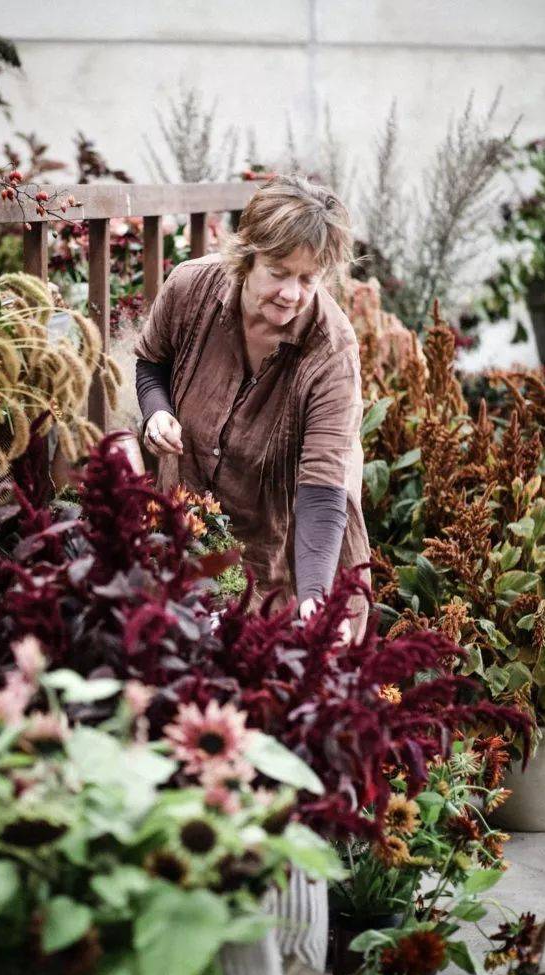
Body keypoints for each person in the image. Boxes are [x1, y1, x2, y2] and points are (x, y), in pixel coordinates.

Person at [135, 173, 370, 637]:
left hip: (281, 561)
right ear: (247, 256)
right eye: (278, 272)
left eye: (308, 279)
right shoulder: (190, 289)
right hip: (184, 531)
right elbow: (151, 362)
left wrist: (316, 600)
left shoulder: (331, 352)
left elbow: (323, 491)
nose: (291, 293)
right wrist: (157, 410)